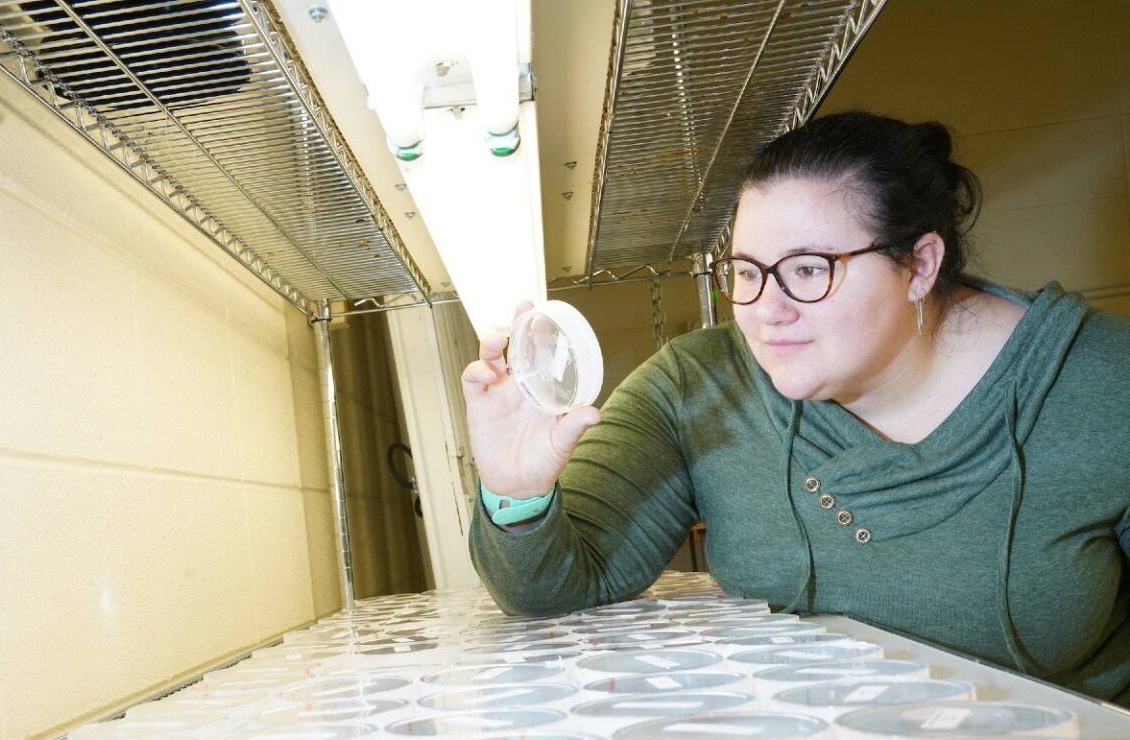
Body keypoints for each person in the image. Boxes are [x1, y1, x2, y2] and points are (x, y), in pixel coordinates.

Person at [464, 111, 1130, 704]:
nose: (766, 312)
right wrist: (517, 491)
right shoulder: (698, 385)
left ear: (920, 266)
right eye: (748, 272)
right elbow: (555, 588)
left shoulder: (1104, 384)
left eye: (809, 269)